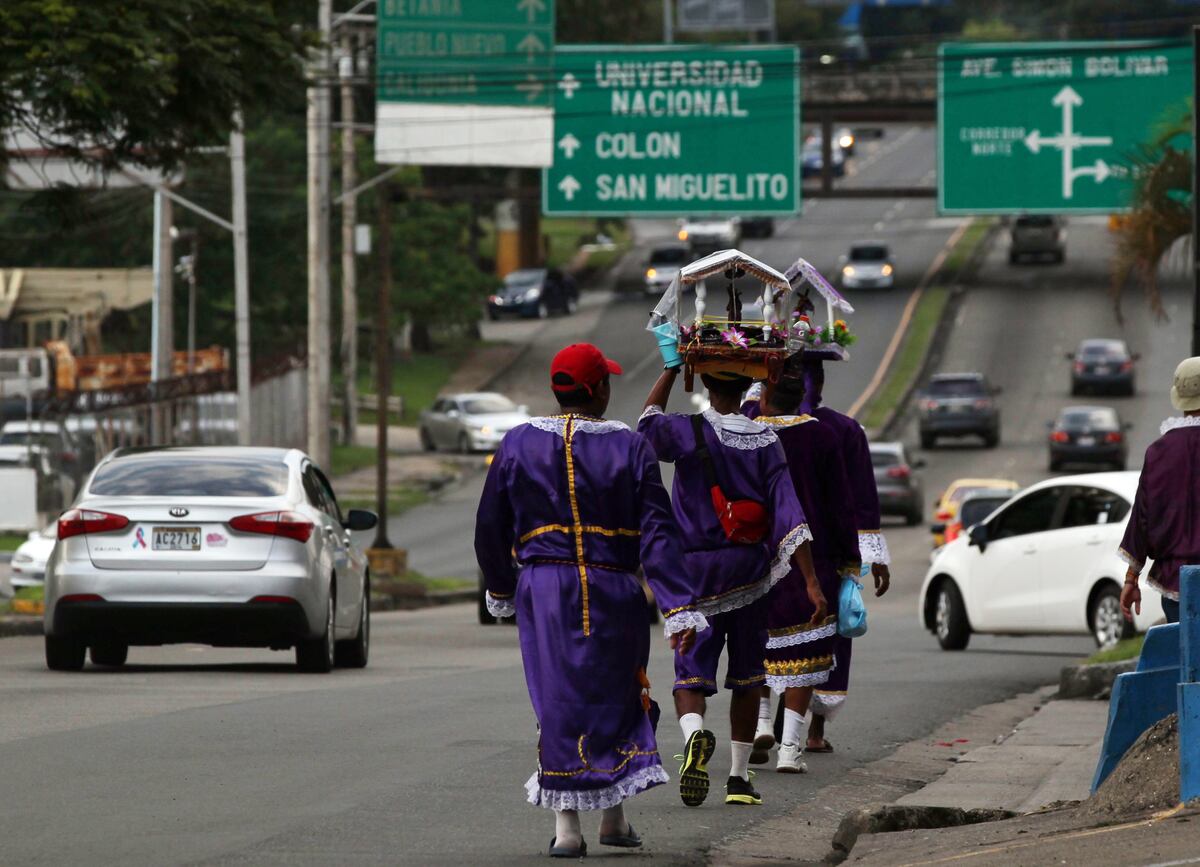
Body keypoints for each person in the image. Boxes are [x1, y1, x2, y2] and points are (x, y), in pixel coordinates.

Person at [475, 343, 709, 858]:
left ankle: (577, 828)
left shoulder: (517, 443)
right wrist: (677, 604)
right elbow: (658, 531)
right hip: (613, 589)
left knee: (556, 699)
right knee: (619, 696)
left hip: (544, 591)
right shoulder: (630, 446)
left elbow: (490, 523)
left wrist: (500, 585)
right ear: (599, 388)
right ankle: (605, 818)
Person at [638, 366, 824, 808]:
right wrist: (811, 581)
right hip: (749, 573)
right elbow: (789, 512)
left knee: (690, 673)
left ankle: (694, 735)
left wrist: (671, 368)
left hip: (695, 575)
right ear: (748, 387)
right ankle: (739, 779)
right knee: (748, 676)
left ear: (706, 384)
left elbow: (645, 427)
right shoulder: (766, 441)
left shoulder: (687, 431)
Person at [745, 354, 889, 754]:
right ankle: (797, 742)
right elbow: (849, 502)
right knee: (813, 645)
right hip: (817, 555)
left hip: (757, 554)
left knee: (756, 639)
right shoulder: (832, 432)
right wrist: (853, 560)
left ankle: (761, 722)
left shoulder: (748, 428)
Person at [1120, 356, 1200, 625]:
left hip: (1176, 583)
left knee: (1184, 650)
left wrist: (1131, 579)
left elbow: (1142, 518)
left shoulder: (1158, 453)